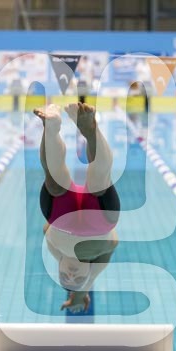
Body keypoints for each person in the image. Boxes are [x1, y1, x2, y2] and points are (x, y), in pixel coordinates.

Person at [35, 102, 120, 313]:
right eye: (77, 278)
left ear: (59, 267)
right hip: (98, 222)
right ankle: (90, 130)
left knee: (54, 180)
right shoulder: (98, 263)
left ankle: (51, 126)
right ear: (88, 272)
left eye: (65, 276)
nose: (72, 275)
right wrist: (79, 296)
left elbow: (46, 228)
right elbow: (113, 243)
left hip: (62, 218)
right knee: (100, 180)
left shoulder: (55, 249)